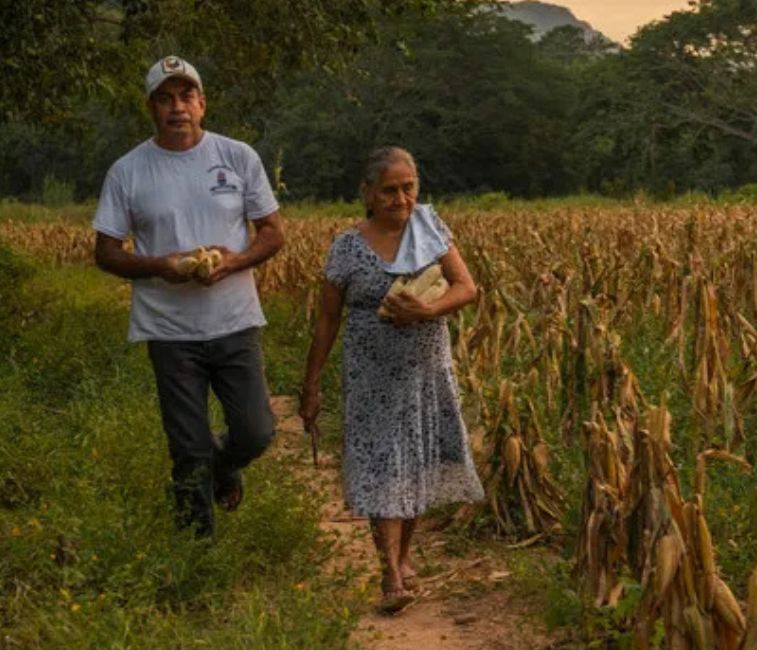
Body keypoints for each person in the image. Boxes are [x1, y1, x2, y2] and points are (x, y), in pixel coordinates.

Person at [92, 56, 286, 537]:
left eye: (185, 96)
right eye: (165, 98)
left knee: (256, 431)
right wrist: (164, 266)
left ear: (202, 103)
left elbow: (272, 233)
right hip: (169, 330)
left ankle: (226, 465)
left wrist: (232, 262)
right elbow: (106, 252)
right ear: (151, 108)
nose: (177, 107)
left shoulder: (238, 157)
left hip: (235, 321)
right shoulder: (128, 171)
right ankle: (195, 555)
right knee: (187, 448)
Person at [300, 146, 484, 612]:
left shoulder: (431, 228)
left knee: (416, 463)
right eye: (389, 190)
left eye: (408, 188)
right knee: (384, 465)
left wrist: (428, 309)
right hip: (371, 376)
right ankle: (389, 572)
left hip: (425, 372)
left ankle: (402, 557)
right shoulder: (346, 247)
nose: (401, 199)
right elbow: (326, 319)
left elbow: (467, 287)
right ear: (367, 193)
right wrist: (312, 383)